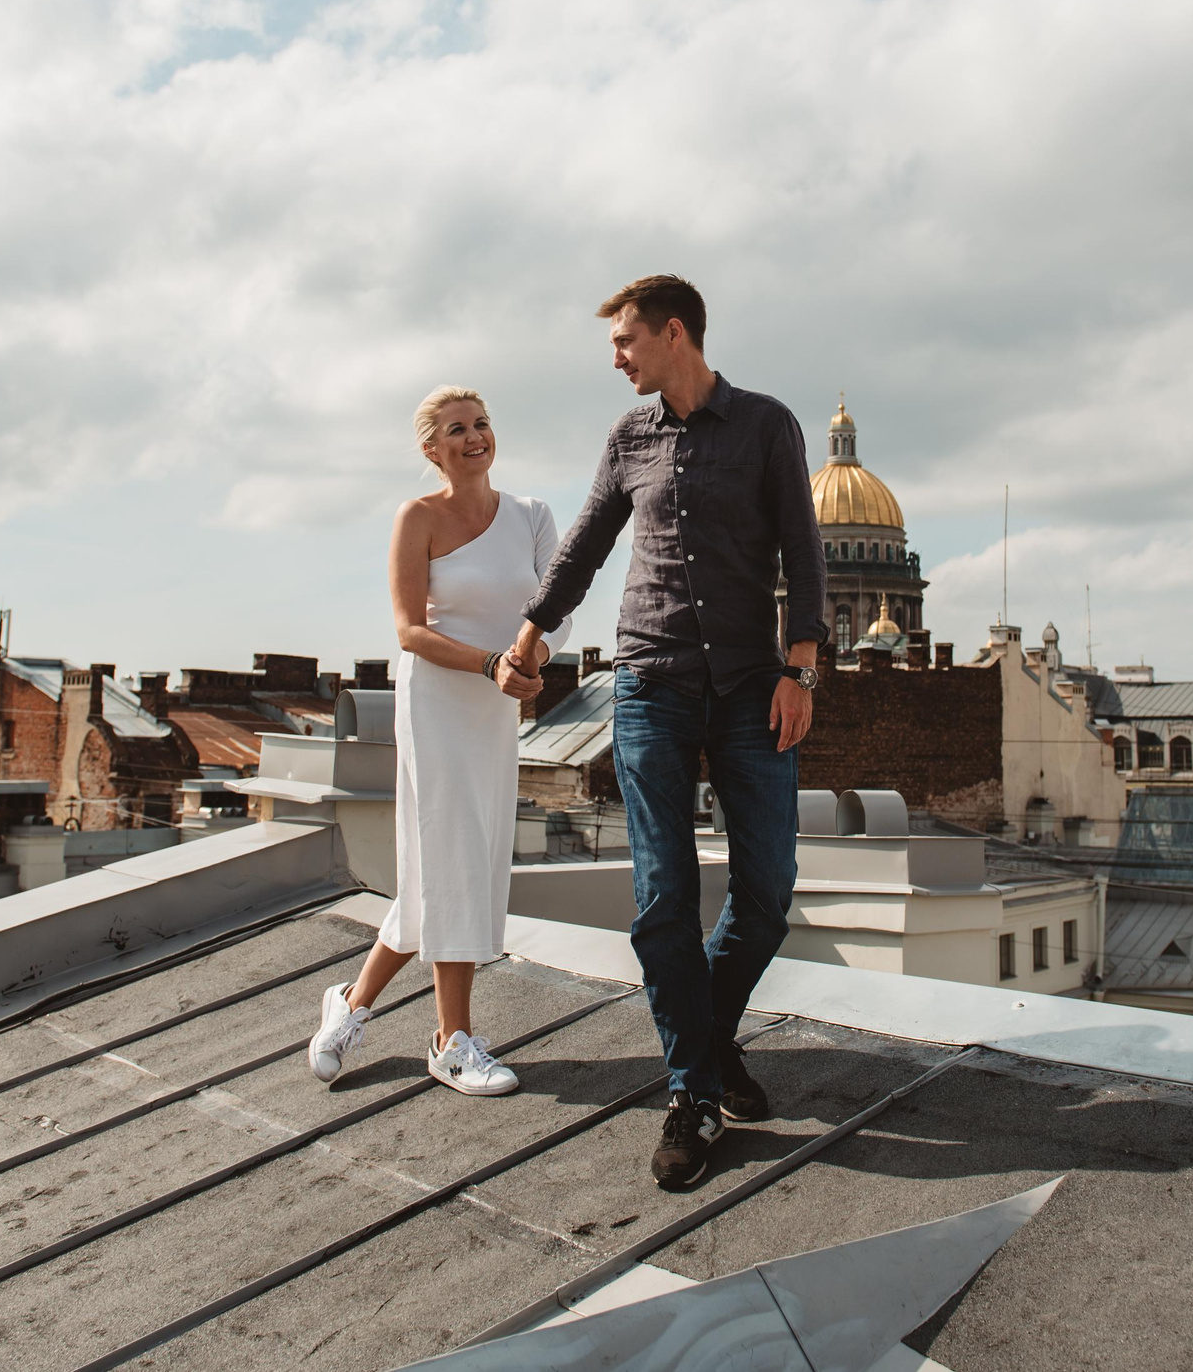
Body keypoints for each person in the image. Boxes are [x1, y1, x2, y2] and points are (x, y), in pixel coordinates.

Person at [508, 275, 827, 1188]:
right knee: (662, 896)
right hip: (649, 683)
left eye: (624, 341)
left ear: (673, 332)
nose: (615, 358)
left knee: (766, 891)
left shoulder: (768, 425)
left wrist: (801, 669)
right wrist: (527, 640)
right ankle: (692, 1089)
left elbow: (803, 551)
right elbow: (584, 546)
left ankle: (709, 1035)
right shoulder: (630, 437)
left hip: (753, 689)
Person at [308, 386, 568, 1096]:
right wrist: (492, 663)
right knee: (453, 856)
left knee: (448, 871)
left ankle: (351, 1003)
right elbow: (409, 630)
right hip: (438, 702)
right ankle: (451, 1041)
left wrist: (528, 662)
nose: (475, 436)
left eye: (482, 422)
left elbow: (557, 611)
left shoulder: (532, 516)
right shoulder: (415, 517)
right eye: (457, 429)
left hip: (498, 705)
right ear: (432, 449)